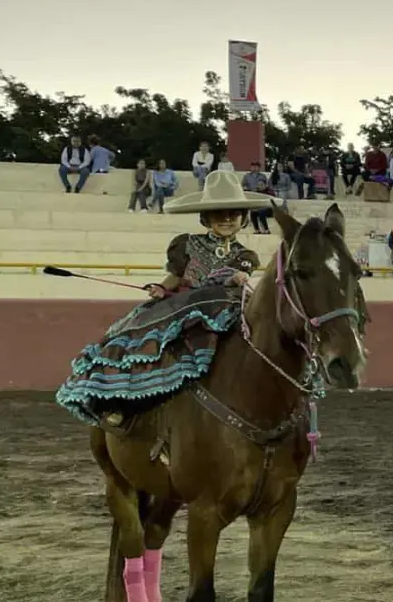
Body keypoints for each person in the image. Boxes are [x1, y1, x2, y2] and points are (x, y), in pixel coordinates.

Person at [55, 171, 275, 430]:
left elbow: (241, 274)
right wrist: (161, 287)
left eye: (233, 213)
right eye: (219, 213)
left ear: (243, 219)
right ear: (205, 217)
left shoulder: (246, 254)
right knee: (139, 339)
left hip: (228, 308)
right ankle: (124, 404)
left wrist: (238, 276)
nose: (226, 219)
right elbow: (176, 276)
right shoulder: (186, 245)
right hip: (184, 306)